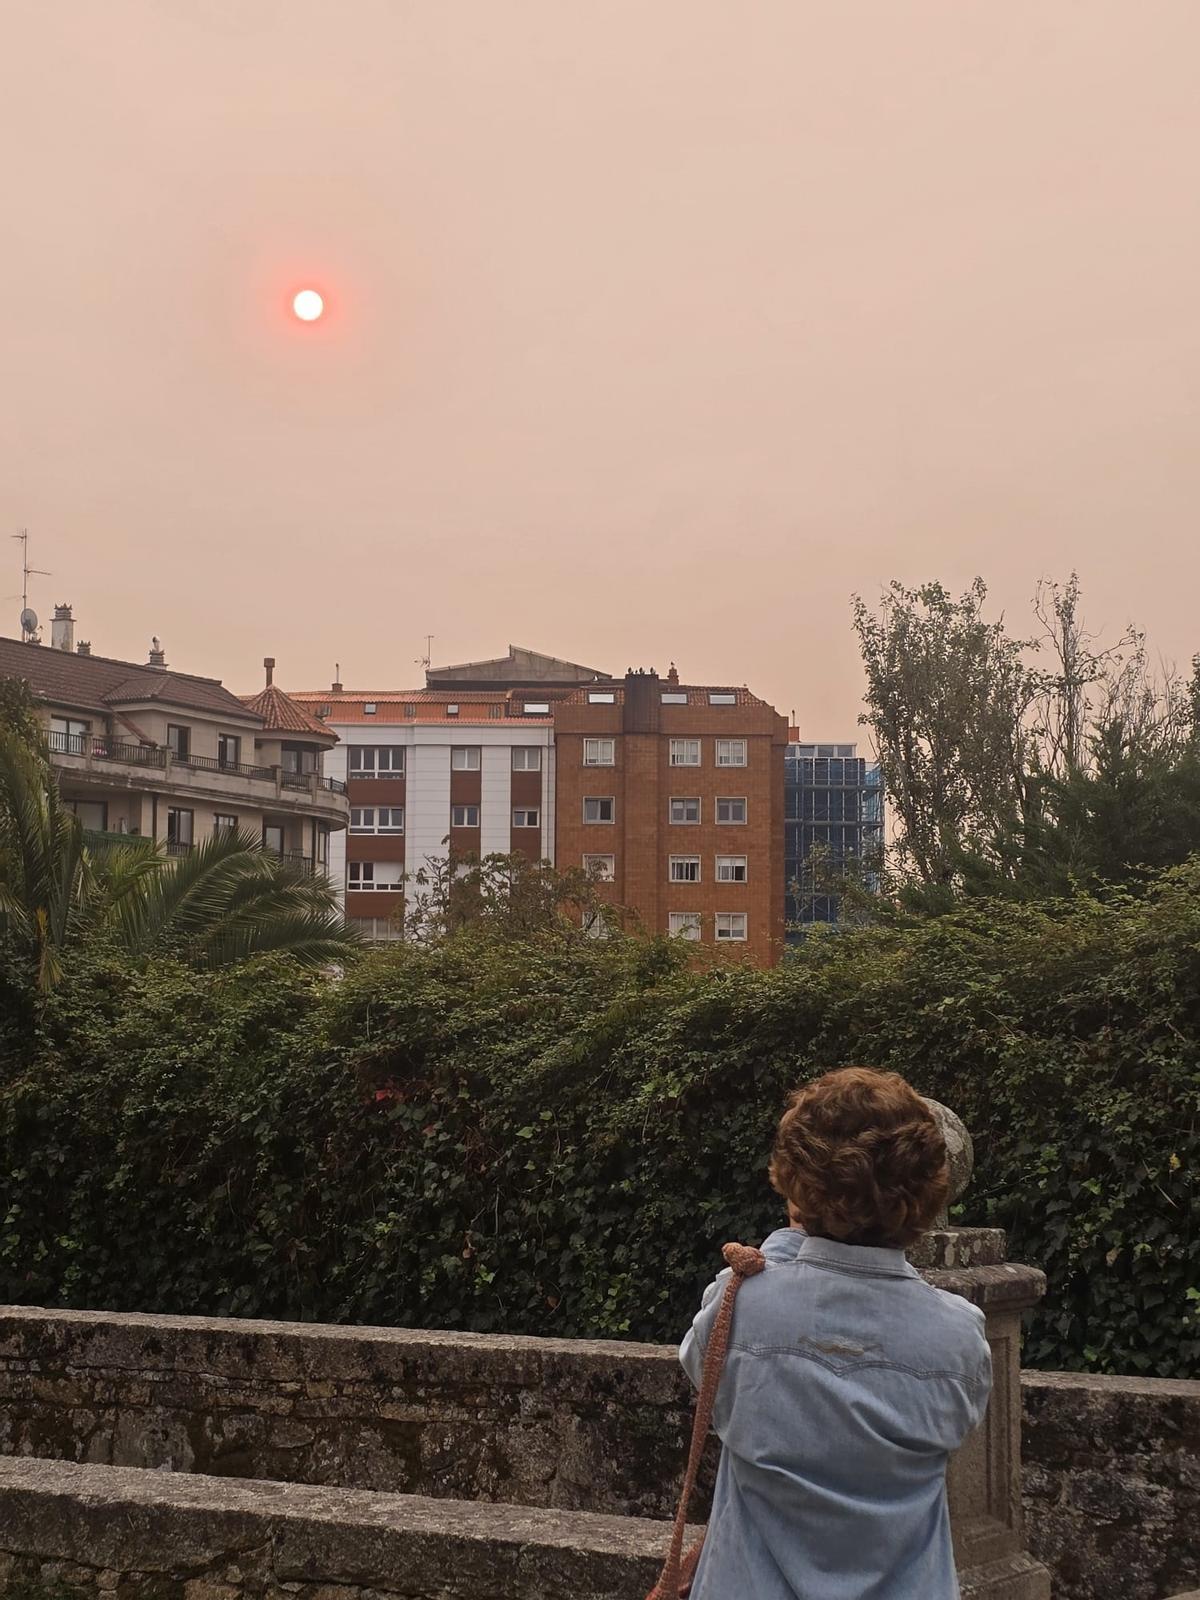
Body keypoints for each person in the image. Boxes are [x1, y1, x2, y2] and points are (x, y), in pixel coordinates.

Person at [680, 1067, 992, 1600]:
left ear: (795, 1184)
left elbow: (700, 1370)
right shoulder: (960, 1337)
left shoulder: (736, 1308)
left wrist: (784, 1242)